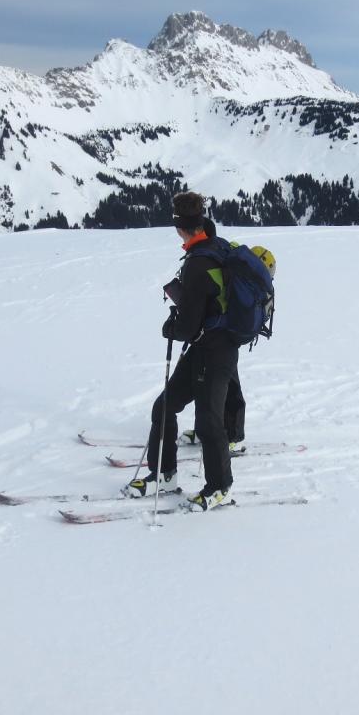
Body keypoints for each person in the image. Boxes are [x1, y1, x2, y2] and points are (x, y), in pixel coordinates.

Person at [123, 191, 236, 510]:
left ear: (179, 226)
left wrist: (170, 327)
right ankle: (164, 474)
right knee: (164, 407)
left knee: (208, 421)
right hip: (207, 346)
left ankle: (220, 487)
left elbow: (187, 326)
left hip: (215, 351)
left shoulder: (198, 263)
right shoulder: (214, 243)